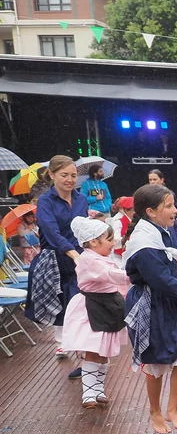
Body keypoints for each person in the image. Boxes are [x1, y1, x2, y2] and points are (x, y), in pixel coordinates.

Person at [123, 184, 177, 434]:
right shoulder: (143, 240)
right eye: (169, 206)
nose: (175, 210)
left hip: (170, 299)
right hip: (151, 302)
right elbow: (160, 279)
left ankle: (173, 408)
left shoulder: (165, 230)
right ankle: (155, 411)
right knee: (155, 359)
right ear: (150, 212)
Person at [25, 155, 88, 368]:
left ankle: (80, 346)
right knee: (60, 299)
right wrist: (73, 253)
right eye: (64, 175)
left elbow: (82, 228)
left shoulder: (81, 199)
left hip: (79, 255)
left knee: (79, 299)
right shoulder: (45, 201)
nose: (70, 180)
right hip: (55, 258)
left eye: (73, 175)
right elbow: (51, 232)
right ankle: (62, 342)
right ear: (52, 175)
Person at [61, 217, 129, 409]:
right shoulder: (89, 260)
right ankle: (89, 392)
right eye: (109, 239)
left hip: (107, 305)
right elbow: (111, 275)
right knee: (93, 350)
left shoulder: (101, 258)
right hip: (93, 307)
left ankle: (98, 390)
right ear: (93, 242)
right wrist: (134, 275)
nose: (113, 242)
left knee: (103, 351)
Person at [109, 196, 135, 265]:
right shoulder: (118, 222)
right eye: (133, 210)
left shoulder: (136, 221)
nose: (135, 212)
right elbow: (115, 239)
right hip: (119, 257)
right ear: (125, 210)